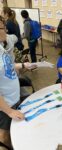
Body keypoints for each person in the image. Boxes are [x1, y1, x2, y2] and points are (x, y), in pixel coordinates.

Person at [0, 15, 36, 148]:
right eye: (3, 28)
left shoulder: (1, 48)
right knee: (4, 135)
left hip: (13, 99)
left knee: (14, 129)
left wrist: (23, 66)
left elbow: (8, 65)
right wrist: (9, 111)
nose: (6, 31)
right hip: (5, 106)